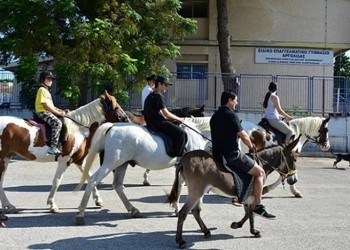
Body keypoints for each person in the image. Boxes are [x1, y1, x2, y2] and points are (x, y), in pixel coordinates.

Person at [210, 91, 276, 219]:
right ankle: (258, 205)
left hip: (217, 155)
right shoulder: (231, 115)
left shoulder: (215, 116)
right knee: (260, 173)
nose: (236, 103)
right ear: (229, 100)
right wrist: (252, 146)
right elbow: (244, 136)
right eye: (235, 100)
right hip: (232, 156)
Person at [143, 76, 186, 156]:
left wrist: (173, 119)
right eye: (166, 85)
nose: (167, 87)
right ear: (159, 84)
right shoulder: (158, 95)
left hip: (150, 123)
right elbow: (166, 113)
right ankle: (179, 158)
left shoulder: (151, 94)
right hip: (158, 123)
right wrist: (179, 119)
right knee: (181, 133)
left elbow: (161, 114)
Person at [35, 71, 67, 155]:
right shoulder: (42, 90)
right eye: (48, 79)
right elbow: (45, 105)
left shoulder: (46, 91)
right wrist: (58, 113)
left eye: (51, 79)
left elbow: (51, 106)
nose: (50, 81)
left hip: (46, 111)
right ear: (42, 80)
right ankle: (52, 147)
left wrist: (60, 110)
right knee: (57, 123)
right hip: (42, 112)